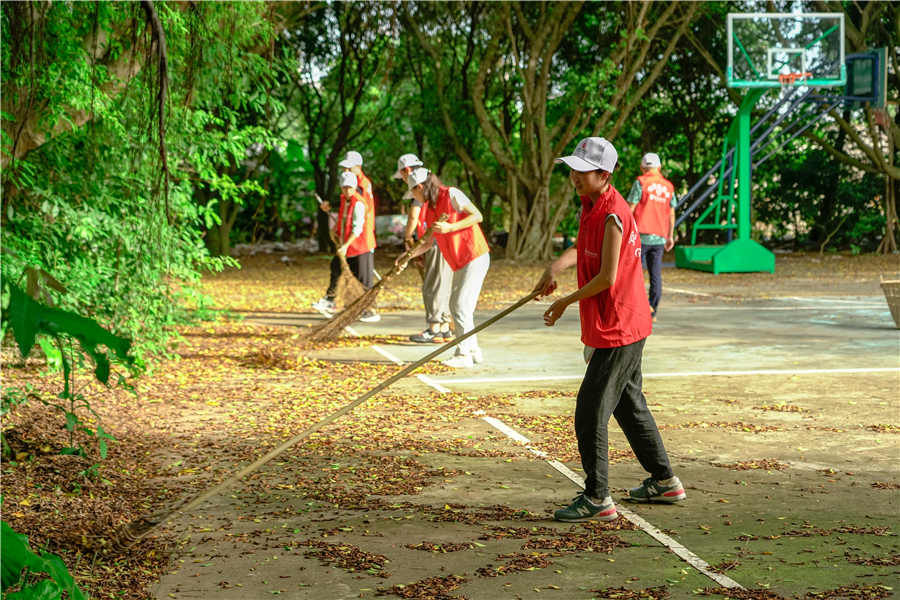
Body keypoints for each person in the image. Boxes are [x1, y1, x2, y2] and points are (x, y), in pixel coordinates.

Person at [534, 137, 684, 523]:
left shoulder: (614, 212)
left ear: (604, 174)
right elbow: (582, 247)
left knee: (590, 411)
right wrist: (554, 268)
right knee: (630, 405)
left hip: (620, 325)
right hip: (619, 322)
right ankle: (664, 481)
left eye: (583, 171)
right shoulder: (591, 204)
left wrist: (565, 301)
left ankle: (597, 497)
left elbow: (607, 277)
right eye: (573, 169)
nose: (575, 176)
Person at [397, 168, 490, 368]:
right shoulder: (430, 209)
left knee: (459, 306)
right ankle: (473, 350)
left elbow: (477, 216)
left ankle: (463, 354)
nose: (414, 198)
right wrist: (407, 256)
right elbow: (427, 243)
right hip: (461, 261)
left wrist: (451, 227)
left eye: (413, 193)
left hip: (474, 255)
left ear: (419, 187)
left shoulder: (452, 194)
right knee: (461, 306)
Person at [394, 154, 454, 343]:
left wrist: (408, 239)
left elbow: (414, 217)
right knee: (442, 285)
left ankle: (434, 328)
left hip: (436, 244)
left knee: (432, 286)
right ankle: (444, 328)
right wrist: (409, 254)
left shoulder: (423, 193)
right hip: (437, 243)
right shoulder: (433, 194)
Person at [311, 171, 380, 322]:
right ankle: (351, 306)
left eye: (350, 187)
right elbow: (343, 220)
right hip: (349, 248)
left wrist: (345, 245)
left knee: (363, 280)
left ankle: (369, 310)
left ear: (355, 187)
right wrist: (334, 230)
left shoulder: (358, 203)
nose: (348, 190)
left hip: (361, 246)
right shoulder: (345, 201)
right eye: (345, 187)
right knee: (345, 274)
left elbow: (357, 228)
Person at [626, 152, 676, 322]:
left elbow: (630, 209)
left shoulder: (641, 182)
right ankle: (652, 312)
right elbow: (671, 213)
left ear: (642, 168)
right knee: (655, 275)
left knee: (635, 274)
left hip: (640, 236)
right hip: (660, 236)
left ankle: (640, 307)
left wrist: (623, 232)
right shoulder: (669, 187)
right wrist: (670, 236)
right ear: (659, 167)